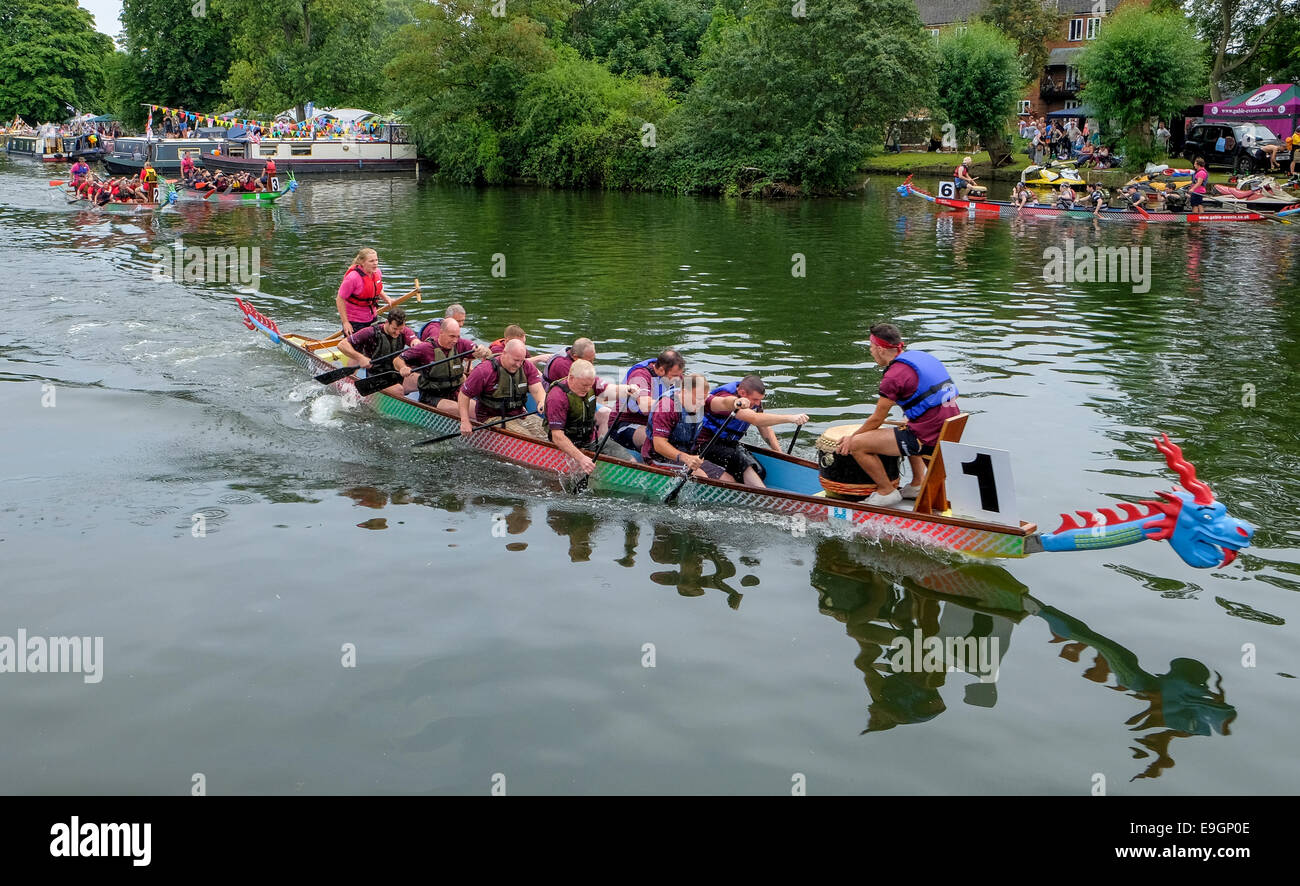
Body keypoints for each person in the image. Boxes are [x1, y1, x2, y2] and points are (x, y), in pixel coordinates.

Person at [835, 323, 961, 508]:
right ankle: (917, 484)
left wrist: (851, 438)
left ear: (879, 348)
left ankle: (886, 491)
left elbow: (877, 419)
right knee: (906, 426)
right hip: (949, 427)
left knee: (857, 445)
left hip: (927, 437)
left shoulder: (893, 377)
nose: (870, 351)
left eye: (871, 347)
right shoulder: (920, 357)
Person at [691, 375, 808, 488]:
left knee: (760, 471)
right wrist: (790, 418)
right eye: (755, 399)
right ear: (742, 393)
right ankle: (764, 497)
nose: (758, 403)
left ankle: (745, 487)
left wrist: (779, 453)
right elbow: (755, 419)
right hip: (704, 445)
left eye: (760, 400)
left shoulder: (752, 399)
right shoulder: (725, 397)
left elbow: (764, 427)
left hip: (726, 444)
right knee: (740, 459)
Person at [545, 359, 640, 474]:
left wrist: (627, 389)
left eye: (590, 385)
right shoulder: (557, 397)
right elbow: (557, 436)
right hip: (567, 444)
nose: (587, 389)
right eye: (584, 385)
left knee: (631, 462)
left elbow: (609, 390)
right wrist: (582, 458)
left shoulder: (590, 383)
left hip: (591, 440)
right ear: (571, 378)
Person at [642, 373, 733, 482]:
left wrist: (736, 402)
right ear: (685, 393)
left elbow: (723, 402)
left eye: (705, 398)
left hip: (686, 456)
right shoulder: (667, 407)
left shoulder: (700, 399)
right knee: (701, 476)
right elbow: (659, 445)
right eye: (699, 398)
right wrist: (686, 458)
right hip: (658, 458)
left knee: (727, 479)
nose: (703, 403)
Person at [458, 339, 548, 438]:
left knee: (548, 433)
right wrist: (465, 421)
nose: (519, 364)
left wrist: (541, 401)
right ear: (504, 353)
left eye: (522, 360)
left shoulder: (527, 366)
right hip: (492, 418)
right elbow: (463, 395)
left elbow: (537, 390)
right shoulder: (483, 371)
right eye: (516, 360)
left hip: (519, 415)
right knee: (528, 437)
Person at [608, 349, 687, 454]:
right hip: (624, 424)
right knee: (656, 442)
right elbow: (645, 406)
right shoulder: (640, 375)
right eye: (675, 376)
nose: (678, 379)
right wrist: (675, 403)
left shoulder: (675, 375)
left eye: (680, 375)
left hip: (653, 424)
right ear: (662, 370)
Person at [399, 317, 488, 408]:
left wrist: (482, 351)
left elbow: (480, 350)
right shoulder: (424, 348)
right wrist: (403, 367)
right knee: (456, 409)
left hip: (455, 392)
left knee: (478, 409)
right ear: (441, 332)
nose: (455, 340)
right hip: (432, 396)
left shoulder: (461, 344)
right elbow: (398, 359)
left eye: (457, 336)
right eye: (452, 336)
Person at [336, 308, 417, 399]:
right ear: (387, 323)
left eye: (401, 329)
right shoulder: (370, 332)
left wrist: (417, 344)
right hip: (376, 377)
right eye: (394, 329)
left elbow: (416, 342)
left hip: (395, 373)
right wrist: (360, 358)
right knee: (398, 390)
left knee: (422, 380)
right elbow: (341, 345)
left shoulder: (405, 331)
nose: (397, 332)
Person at [335, 248, 395, 338]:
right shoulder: (352, 278)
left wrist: (386, 298)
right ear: (362, 262)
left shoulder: (377, 272)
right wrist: (345, 323)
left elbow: (376, 288)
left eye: (376, 260)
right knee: (356, 347)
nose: (375, 263)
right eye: (371, 261)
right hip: (355, 321)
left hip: (372, 317)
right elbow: (340, 299)